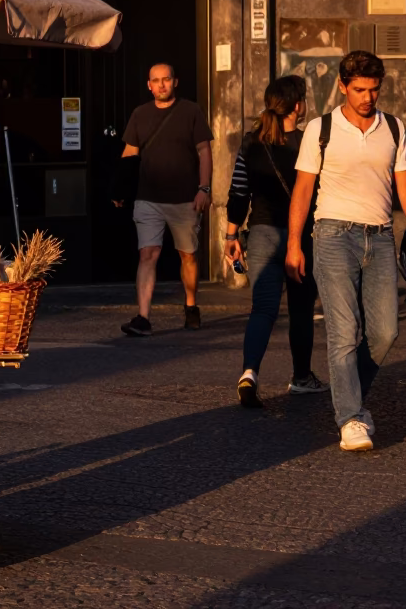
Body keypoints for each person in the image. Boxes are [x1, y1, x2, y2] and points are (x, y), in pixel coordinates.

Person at [285, 51, 406, 452]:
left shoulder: (395, 129)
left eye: (374, 89)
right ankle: (350, 417)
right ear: (343, 86)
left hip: (381, 236)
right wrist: (294, 244)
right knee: (344, 331)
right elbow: (302, 190)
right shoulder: (321, 129)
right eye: (360, 90)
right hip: (332, 235)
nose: (368, 97)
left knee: (386, 330)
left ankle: (348, 393)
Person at [224, 75, 327, 408]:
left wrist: (231, 234)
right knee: (300, 308)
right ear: (298, 106)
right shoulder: (310, 143)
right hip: (303, 234)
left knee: (263, 308)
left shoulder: (251, 142)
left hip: (263, 231)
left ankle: (250, 372)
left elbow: (238, 193)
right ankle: (301, 377)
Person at [113, 63, 214, 336]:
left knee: (188, 255)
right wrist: (120, 189)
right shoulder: (140, 115)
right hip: (148, 198)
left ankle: (191, 306)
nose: (161, 85)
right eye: (155, 81)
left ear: (175, 81)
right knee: (148, 254)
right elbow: (129, 153)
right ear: (148, 85)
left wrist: (204, 189)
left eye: (166, 79)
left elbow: (204, 151)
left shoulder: (190, 111)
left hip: (184, 199)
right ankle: (143, 317)